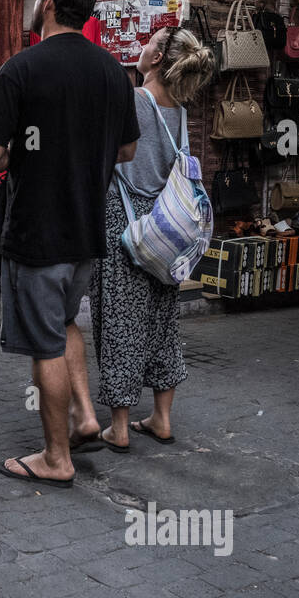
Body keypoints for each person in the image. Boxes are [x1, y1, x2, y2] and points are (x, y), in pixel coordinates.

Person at [0, 0, 139, 487]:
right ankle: (86, 416)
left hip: (36, 232)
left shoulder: (20, 70)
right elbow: (129, 149)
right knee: (65, 323)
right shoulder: (114, 72)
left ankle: (56, 457)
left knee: (45, 343)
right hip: (88, 231)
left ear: (47, 2)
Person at [90, 26, 216, 450]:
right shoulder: (179, 109)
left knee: (120, 323)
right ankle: (161, 417)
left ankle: (120, 427)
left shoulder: (135, 101)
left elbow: (105, 155)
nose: (142, 46)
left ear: (158, 58)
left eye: (150, 41)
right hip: (166, 231)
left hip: (124, 224)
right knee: (162, 322)